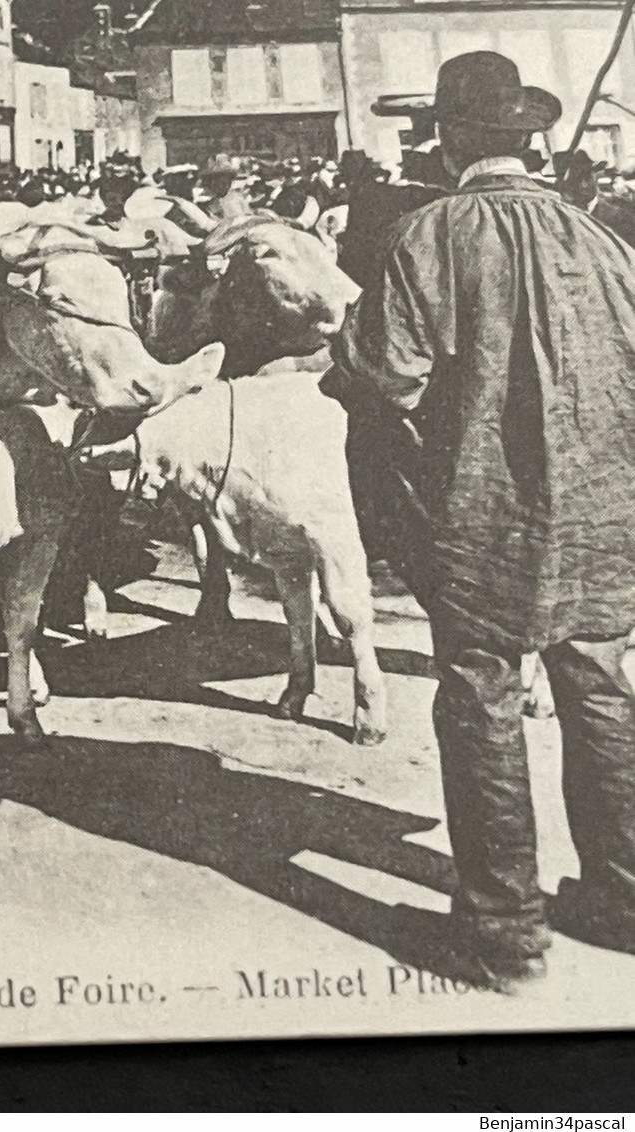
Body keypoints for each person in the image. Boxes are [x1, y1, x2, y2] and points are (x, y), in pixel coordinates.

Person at [327, 51, 635, 992]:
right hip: (603, 512)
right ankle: (625, 904)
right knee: (601, 693)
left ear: (453, 140)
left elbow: (384, 375)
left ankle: (505, 935)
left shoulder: (430, 236)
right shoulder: (604, 240)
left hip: (483, 518)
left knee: (481, 702)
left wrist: (344, 351)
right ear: (529, 141)